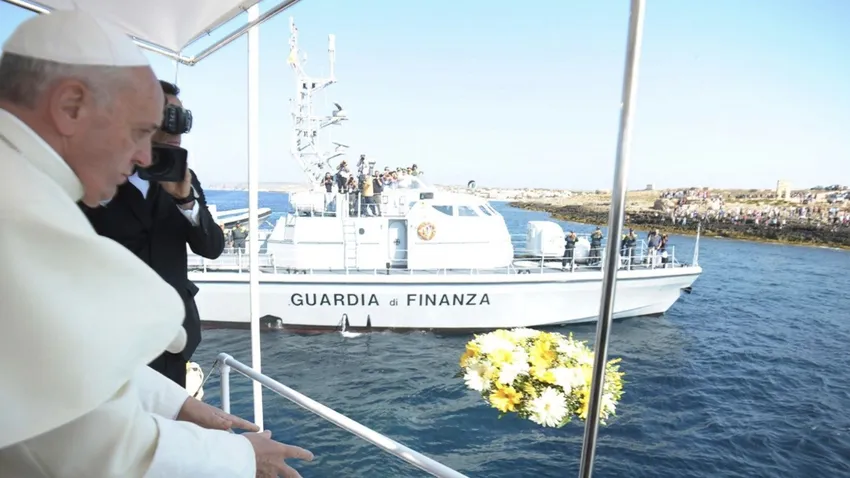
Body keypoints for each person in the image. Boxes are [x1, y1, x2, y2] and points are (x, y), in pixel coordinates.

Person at [0, 10, 312, 477]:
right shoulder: (20, 209)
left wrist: (177, 404)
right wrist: (244, 456)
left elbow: (63, 363)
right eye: (140, 130)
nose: (146, 156)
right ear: (70, 107)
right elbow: (94, 446)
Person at [81, 79, 223, 389]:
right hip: (113, 338)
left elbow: (211, 247)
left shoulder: (185, 178)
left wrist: (186, 202)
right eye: (169, 118)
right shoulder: (97, 177)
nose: (179, 130)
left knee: (169, 414)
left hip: (174, 338)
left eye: (184, 120)